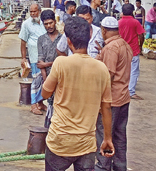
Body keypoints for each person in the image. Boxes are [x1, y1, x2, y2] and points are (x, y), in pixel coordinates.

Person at [41, 16, 114, 171]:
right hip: (86, 143)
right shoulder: (102, 69)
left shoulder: (61, 63)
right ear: (89, 37)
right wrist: (107, 138)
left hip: (60, 140)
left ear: (68, 41)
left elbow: (45, 94)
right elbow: (106, 108)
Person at [94, 16, 132, 171]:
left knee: (105, 135)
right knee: (120, 136)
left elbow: (108, 75)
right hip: (124, 97)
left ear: (103, 30)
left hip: (112, 101)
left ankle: (103, 166)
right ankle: (120, 166)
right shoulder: (123, 44)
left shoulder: (111, 48)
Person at [19, 3, 48, 115]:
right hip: (34, 55)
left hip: (45, 55)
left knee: (43, 79)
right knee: (36, 80)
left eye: (34, 11)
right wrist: (23, 58)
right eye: (31, 12)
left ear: (39, 11)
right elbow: (23, 41)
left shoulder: (44, 22)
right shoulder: (26, 24)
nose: (32, 14)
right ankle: (33, 104)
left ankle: (40, 102)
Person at [37, 9, 62, 127]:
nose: (49, 26)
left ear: (55, 22)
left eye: (51, 23)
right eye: (46, 24)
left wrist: (46, 64)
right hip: (47, 77)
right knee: (50, 103)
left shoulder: (62, 38)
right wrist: (45, 79)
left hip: (61, 77)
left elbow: (63, 59)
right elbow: (40, 60)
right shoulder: (41, 39)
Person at [118, 4, 145, 101]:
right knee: (134, 71)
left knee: (122, 71)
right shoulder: (135, 22)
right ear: (132, 11)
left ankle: (121, 90)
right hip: (133, 50)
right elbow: (141, 35)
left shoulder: (119, 23)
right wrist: (140, 46)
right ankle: (131, 92)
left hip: (121, 50)